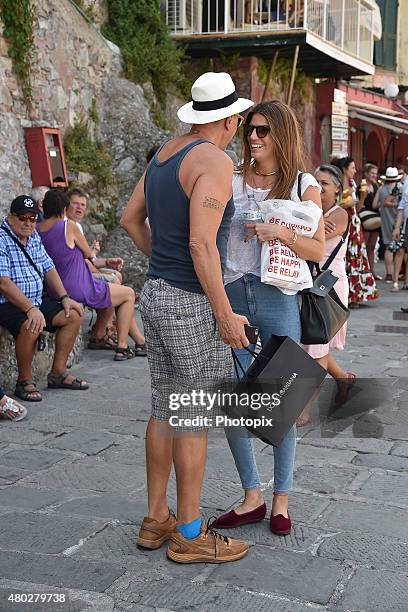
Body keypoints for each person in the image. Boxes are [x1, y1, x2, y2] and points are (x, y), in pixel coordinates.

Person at [121, 72, 253, 564]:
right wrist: (223, 312)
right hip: (191, 302)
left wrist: (163, 264)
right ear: (231, 119)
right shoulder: (213, 160)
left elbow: (129, 218)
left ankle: (157, 519)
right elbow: (202, 242)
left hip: (155, 293)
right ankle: (192, 532)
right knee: (193, 415)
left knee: (165, 408)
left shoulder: (165, 153)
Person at [211, 100, 325, 536]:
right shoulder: (231, 179)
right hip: (234, 293)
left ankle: (281, 500)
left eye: (262, 130)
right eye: (249, 130)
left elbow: (318, 249)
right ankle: (251, 495)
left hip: (279, 296)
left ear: (281, 134)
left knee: (282, 400)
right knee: (234, 401)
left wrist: (281, 232)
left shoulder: (302, 184)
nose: (254, 138)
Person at [38, 189, 145, 361]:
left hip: (54, 290)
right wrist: (94, 251)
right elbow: (89, 255)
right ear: (64, 209)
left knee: (117, 292)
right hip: (79, 287)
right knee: (128, 294)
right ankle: (122, 347)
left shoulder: (37, 230)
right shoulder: (69, 226)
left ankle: (136, 341)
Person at [0, 195, 88, 401]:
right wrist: (30, 308)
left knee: (73, 315)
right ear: (10, 216)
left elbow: (48, 267)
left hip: (36, 300)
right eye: (23, 218)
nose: (28, 222)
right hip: (8, 303)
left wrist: (65, 297)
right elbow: (3, 282)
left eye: (33, 218)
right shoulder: (2, 239)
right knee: (32, 323)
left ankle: (57, 373)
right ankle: (24, 380)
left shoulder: (34, 237)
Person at [297, 164, 353, 426]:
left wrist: (299, 226)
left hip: (328, 287)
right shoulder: (313, 211)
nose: (318, 187)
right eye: (315, 182)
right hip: (310, 286)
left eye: (325, 183)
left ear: (338, 189)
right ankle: (344, 380)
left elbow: (317, 237)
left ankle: (305, 408)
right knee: (314, 343)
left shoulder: (339, 213)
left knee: (316, 349)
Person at [332, 157, 378, 308]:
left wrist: (361, 197)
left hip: (354, 223)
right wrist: (346, 203)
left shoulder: (353, 184)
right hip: (342, 223)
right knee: (343, 258)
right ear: (345, 169)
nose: (355, 170)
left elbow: (357, 209)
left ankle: (356, 294)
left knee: (356, 258)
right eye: (352, 167)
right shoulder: (336, 183)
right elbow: (332, 205)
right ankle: (344, 294)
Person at [372, 167, 403, 284]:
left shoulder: (381, 189)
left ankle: (389, 273)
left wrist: (383, 204)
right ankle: (397, 273)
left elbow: (375, 205)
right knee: (399, 248)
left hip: (385, 220)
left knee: (388, 246)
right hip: (399, 221)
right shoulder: (400, 188)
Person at [359, 163, 380, 279]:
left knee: (372, 246)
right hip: (366, 218)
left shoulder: (376, 186)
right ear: (366, 173)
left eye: (376, 173)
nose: (374, 175)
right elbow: (360, 204)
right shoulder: (361, 185)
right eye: (372, 173)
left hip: (375, 219)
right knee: (365, 245)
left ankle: (372, 271)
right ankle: (364, 270)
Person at [391, 168, 408, 291]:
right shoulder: (406, 182)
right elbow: (402, 205)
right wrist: (397, 227)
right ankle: (395, 281)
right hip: (405, 223)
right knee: (400, 251)